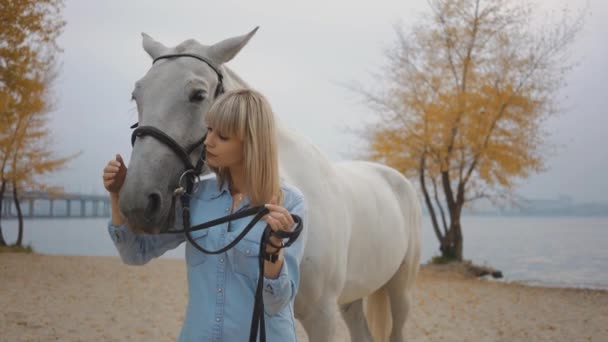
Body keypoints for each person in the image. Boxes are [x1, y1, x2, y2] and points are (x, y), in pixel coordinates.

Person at [102, 89, 307, 341]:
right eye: (209, 130)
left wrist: (274, 248)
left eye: (222, 136)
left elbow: (277, 303)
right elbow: (135, 252)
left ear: (251, 143)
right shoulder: (195, 195)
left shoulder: (290, 203)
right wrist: (116, 194)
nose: (208, 141)